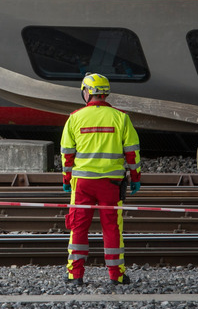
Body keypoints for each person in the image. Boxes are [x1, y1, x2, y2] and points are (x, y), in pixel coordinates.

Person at [60, 73, 141, 286]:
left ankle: (75, 275)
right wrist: (135, 178)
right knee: (112, 228)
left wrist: (67, 179)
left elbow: (67, 154)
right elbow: (132, 153)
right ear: (105, 93)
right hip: (111, 183)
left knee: (78, 227)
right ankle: (117, 275)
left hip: (83, 184)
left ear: (87, 92)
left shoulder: (75, 118)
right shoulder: (121, 118)